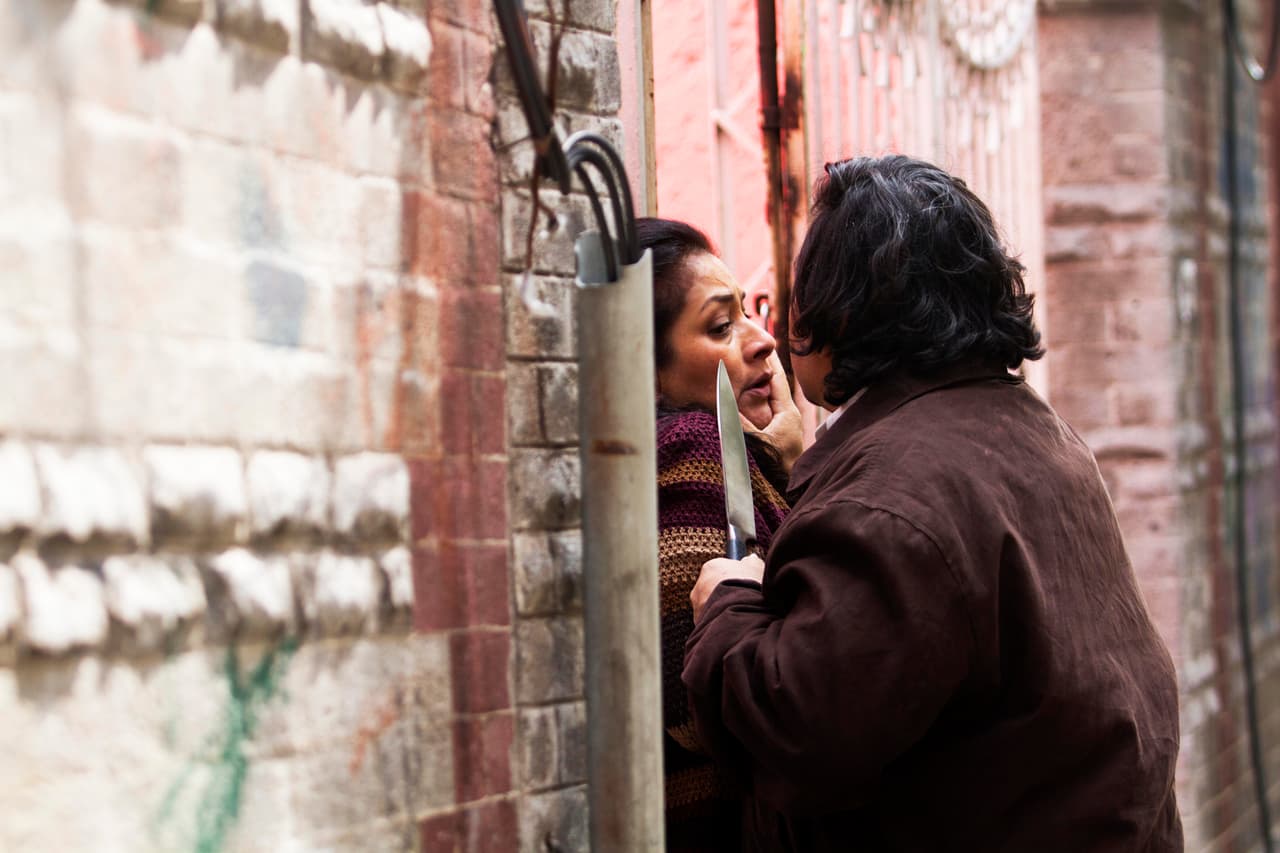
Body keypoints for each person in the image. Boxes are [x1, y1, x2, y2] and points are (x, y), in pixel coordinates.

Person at [682, 156, 1183, 851]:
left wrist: (728, 606)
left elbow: (803, 728)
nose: (768, 335)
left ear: (840, 310)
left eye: (790, 298)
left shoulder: (895, 496)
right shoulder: (1031, 429)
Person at [636, 217, 801, 851]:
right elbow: (695, 696)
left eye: (749, 316)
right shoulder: (695, 443)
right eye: (720, 327)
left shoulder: (712, 452)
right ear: (648, 371)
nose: (762, 343)